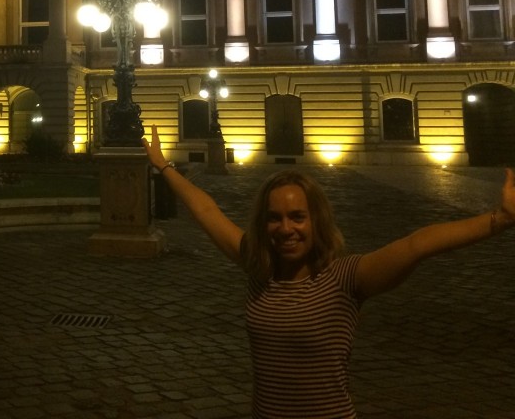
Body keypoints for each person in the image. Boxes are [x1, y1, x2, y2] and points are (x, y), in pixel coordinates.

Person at [142, 125, 515, 419]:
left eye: (297, 217)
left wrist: (500, 219)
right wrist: (162, 165)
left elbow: (418, 244)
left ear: (316, 220)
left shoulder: (345, 279)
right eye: (275, 218)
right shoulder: (259, 267)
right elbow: (207, 211)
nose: (285, 228)